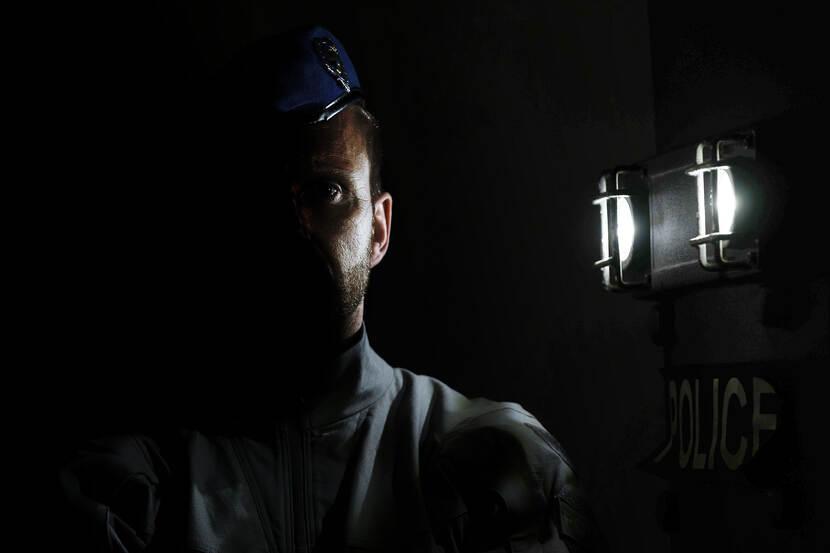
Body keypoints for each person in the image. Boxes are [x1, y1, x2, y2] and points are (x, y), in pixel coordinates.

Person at [60, 26, 604, 553]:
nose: (296, 226)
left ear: (379, 228)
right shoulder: (133, 490)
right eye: (262, 194)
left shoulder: (494, 463)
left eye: (327, 190)